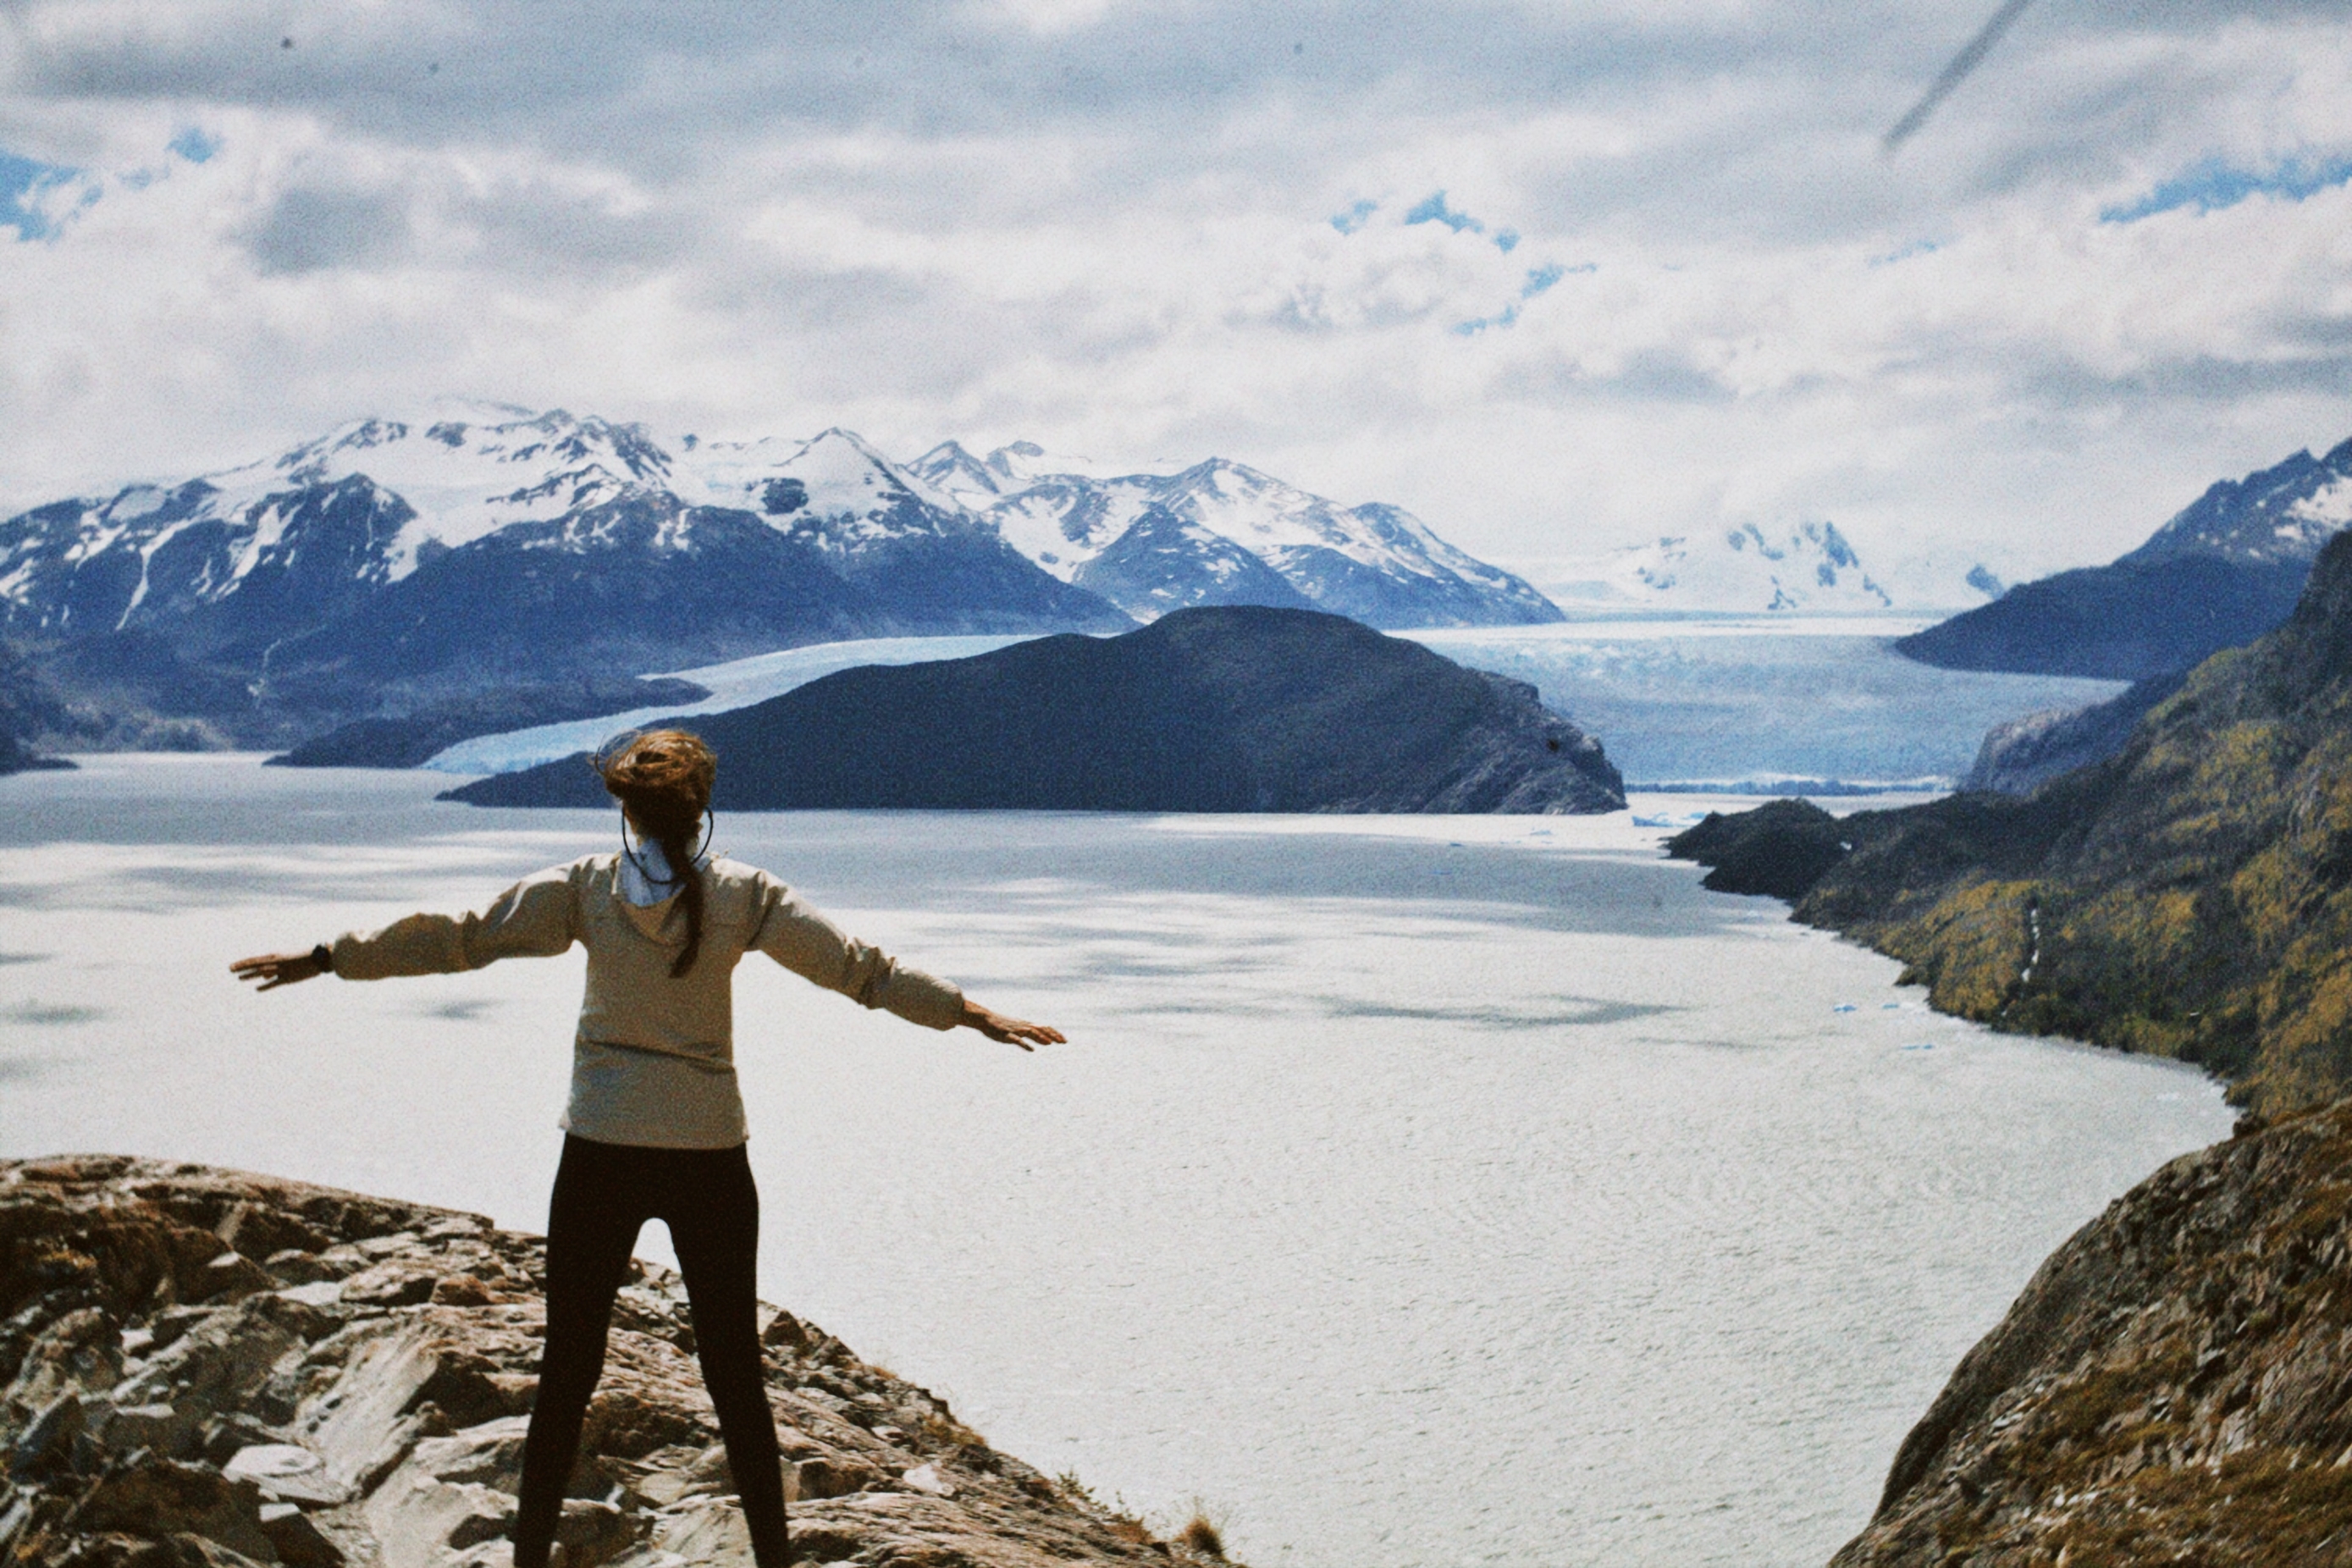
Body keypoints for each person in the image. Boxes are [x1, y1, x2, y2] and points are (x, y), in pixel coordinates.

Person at [231, 728, 1062, 1568]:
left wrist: (330, 957)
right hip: (709, 1152)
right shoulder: (746, 893)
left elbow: (462, 936)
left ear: (624, 809)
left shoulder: (586, 888)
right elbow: (861, 970)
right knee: (736, 1373)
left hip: (601, 1147)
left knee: (568, 1370)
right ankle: (772, 1560)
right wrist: (969, 1012)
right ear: (702, 809)